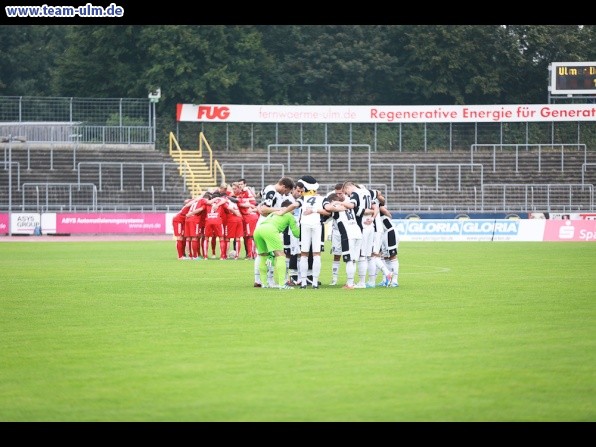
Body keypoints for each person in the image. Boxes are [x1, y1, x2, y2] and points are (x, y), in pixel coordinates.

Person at [253, 176, 295, 287]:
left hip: (264, 224)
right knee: (274, 253)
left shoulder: (268, 188)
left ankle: (260, 280)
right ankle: (267, 280)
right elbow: (265, 209)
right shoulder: (272, 191)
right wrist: (282, 210)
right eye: (286, 191)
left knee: (263, 254)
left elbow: (259, 196)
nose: (285, 194)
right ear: (283, 186)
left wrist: (258, 206)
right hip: (268, 224)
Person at [286, 175, 326, 289]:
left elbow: (294, 205)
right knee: (316, 254)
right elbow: (328, 210)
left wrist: (282, 211)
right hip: (317, 225)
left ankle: (303, 281)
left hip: (303, 225)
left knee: (303, 254)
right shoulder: (321, 198)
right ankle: (313, 281)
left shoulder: (302, 199)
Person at [325, 183, 345, 285]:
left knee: (351, 255)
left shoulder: (350, 199)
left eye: (340, 193)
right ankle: (334, 279)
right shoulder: (331, 198)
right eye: (336, 193)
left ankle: (351, 280)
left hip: (349, 232)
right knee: (336, 255)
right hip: (336, 232)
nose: (338, 195)